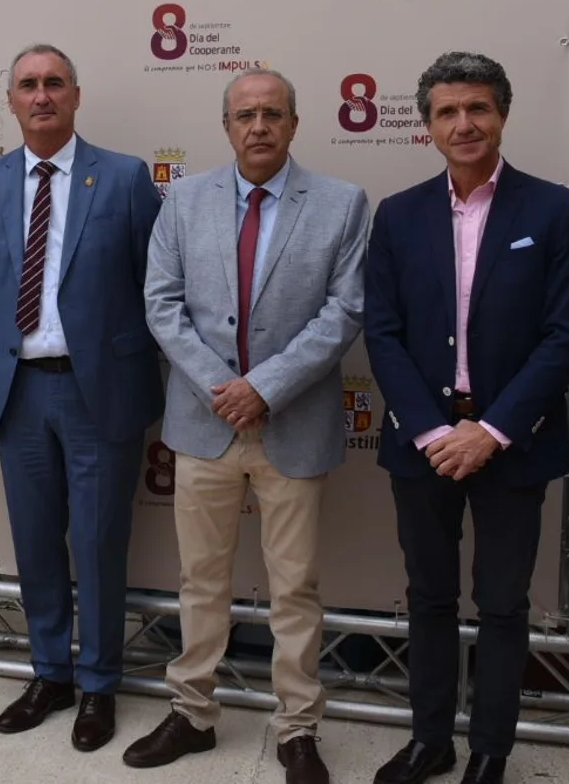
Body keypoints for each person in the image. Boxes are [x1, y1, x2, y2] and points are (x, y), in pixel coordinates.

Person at [128, 69, 368, 784]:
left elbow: (344, 311)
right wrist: (220, 388)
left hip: (293, 423)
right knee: (200, 579)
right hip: (204, 425)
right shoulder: (183, 200)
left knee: (293, 585)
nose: (258, 125)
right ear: (226, 126)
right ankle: (192, 712)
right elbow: (161, 303)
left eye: (272, 113)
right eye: (244, 115)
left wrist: (263, 388)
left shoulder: (342, 204)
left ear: (295, 123)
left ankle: (297, 726)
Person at [362, 52, 569, 784]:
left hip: (512, 443)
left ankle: (491, 750)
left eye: (479, 109)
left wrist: (490, 431)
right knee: (427, 597)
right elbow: (383, 331)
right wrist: (434, 431)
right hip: (422, 443)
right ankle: (431, 739)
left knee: (501, 602)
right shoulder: (398, 214)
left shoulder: (553, 210)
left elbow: (565, 334)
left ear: (502, 114)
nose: (465, 124)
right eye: (448, 111)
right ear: (427, 123)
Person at [0, 43, 164, 752]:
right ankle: (50, 671)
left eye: (53, 84)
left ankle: (100, 683)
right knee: (36, 541)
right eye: (27, 85)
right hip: (19, 392)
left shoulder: (127, 178)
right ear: (11, 100)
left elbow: (152, 286)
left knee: (100, 542)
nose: (41, 95)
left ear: (75, 95)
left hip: (96, 390)